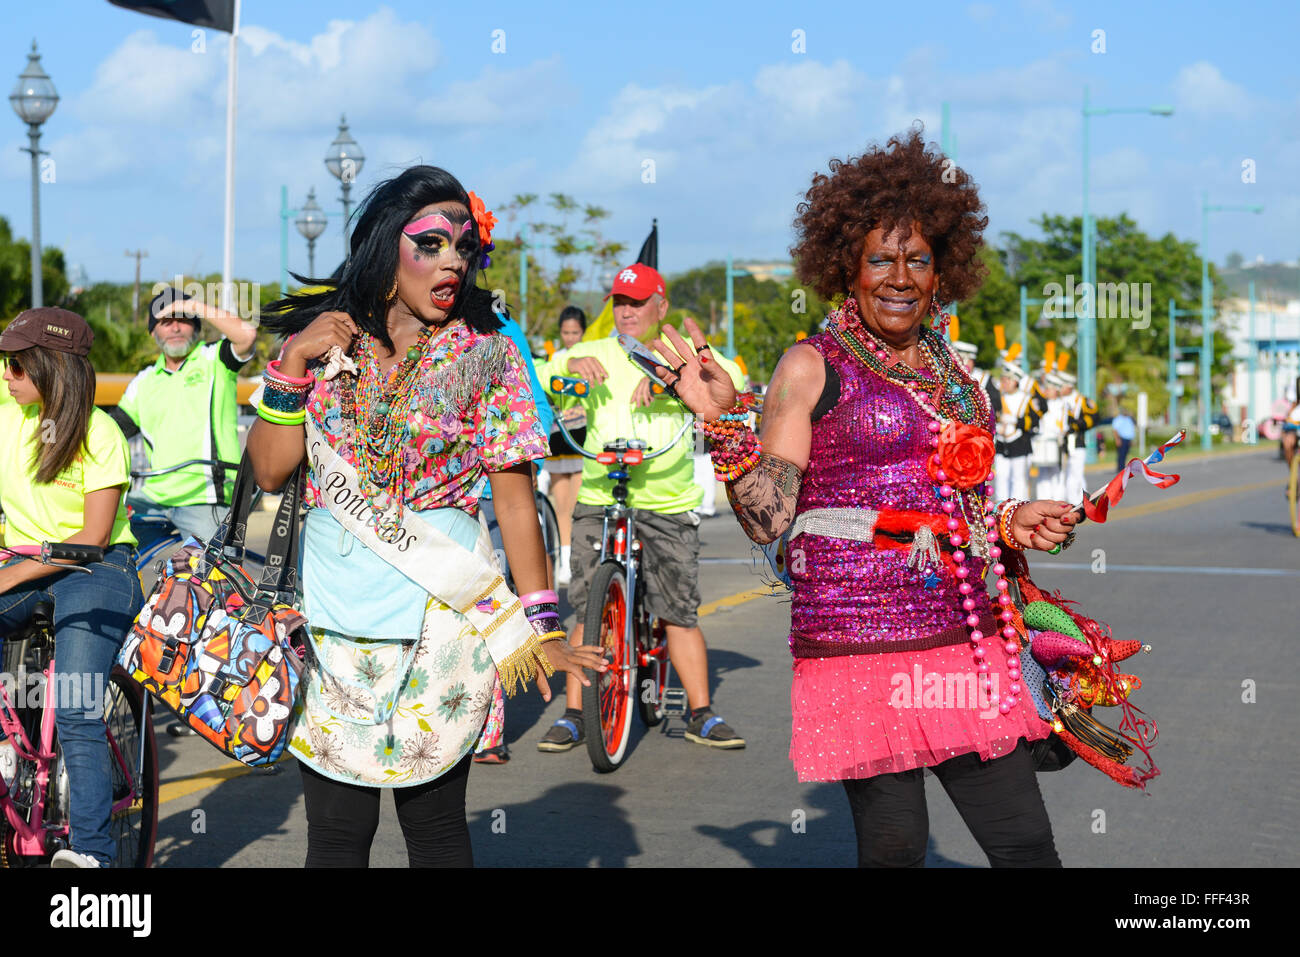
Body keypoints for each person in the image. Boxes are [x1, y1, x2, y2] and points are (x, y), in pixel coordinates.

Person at [653, 129, 1075, 867]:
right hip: (856, 642)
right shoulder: (810, 366)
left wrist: (1009, 520)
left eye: (918, 259)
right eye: (881, 258)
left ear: (944, 267)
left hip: (963, 636)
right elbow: (768, 516)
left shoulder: (953, 373)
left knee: (1024, 842)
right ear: (847, 265)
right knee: (895, 845)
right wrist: (720, 423)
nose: (901, 276)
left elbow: (960, 507)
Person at [248, 166, 606, 867]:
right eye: (432, 242)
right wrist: (292, 361)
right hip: (331, 618)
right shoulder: (323, 346)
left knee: (436, 829)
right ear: (388, 249)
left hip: (442, 616)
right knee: (337, 835)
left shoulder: (487, 355)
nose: (453, 260)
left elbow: (512, 497)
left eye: (463, 247)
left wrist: (542, 627)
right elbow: (267, 470)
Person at [535, 263, 749, 752]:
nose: (626, 312)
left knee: (677, 610)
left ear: (661, 306)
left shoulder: (678, 352)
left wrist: (677, 378)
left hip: (666, 501)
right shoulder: (590, 350)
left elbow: (731, 378)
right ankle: (574, 713)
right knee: (589, 604)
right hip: (599, 495)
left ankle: (700, 712)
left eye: (637, 302)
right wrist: (567, 367)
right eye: (620, 302)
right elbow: (541, 373)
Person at [0, 308, 144, 868]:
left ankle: (93, 857)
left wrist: (12, 571)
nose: (6, 374)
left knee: (80, 706)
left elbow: (92, 536)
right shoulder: (10, 403)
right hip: (22, 561)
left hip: (97, 567)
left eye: (16, 365)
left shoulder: (97, 430)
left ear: (50, 367)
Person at [109, 288, 258, 550]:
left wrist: (196, 306)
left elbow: (246, 335)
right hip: (152, 497)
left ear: (196, 328)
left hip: (206, 498)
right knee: (106, 542)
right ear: (153, 332)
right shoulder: (143, 381)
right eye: (166, 322)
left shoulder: (214, 358)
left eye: (184, 320)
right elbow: (111, 432)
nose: (175, 328)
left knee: (212, 579)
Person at [542, 305, 589, 584]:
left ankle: (579, 558)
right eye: (566, 332)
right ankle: (565, 560)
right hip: (559, 436)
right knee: (561, 504)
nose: (570, 337)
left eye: (575, 332)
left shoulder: (591, 358)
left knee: (578, 503)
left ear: (583, 332)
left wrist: (582, 410)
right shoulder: (555, 360)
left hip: (583, 436)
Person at [1057, 369, 1095, 503]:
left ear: (1069, 386)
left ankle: (1075, 502)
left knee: (1075, 473)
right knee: (1062, 474)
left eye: (1061, 385)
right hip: (1061, 442)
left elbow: (1093, 418)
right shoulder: (1058, 400)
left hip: (1076, 440)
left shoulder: (1082, 400)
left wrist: (1076, 424)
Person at [1112, 405, 1136, 472]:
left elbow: (1131, 429)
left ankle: (1123, 467)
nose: (1126, 412)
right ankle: (1120, 468)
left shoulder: (1129, 419)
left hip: (1128, 439)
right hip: (1121, 439)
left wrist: (1132, 439)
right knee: (1121, 454)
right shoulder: (1118, 419)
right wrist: (1117, 439)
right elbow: (1115, 430)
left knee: (1126, 454)